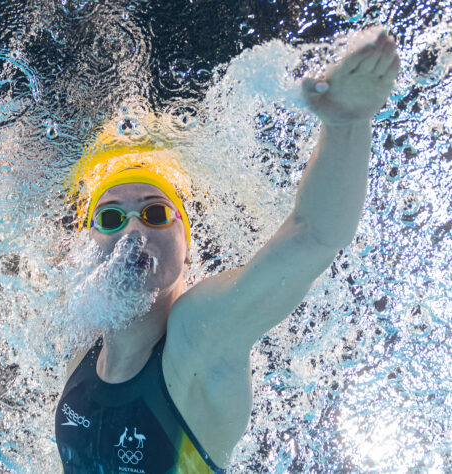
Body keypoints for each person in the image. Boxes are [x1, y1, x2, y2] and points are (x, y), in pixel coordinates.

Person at [55, 30, 400, 473]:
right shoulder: (82, 349)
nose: (134, 229)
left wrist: (347, 123)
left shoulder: (200, 338)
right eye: (109, 218)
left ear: (187, 250)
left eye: (156, 213)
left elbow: (312, 236)